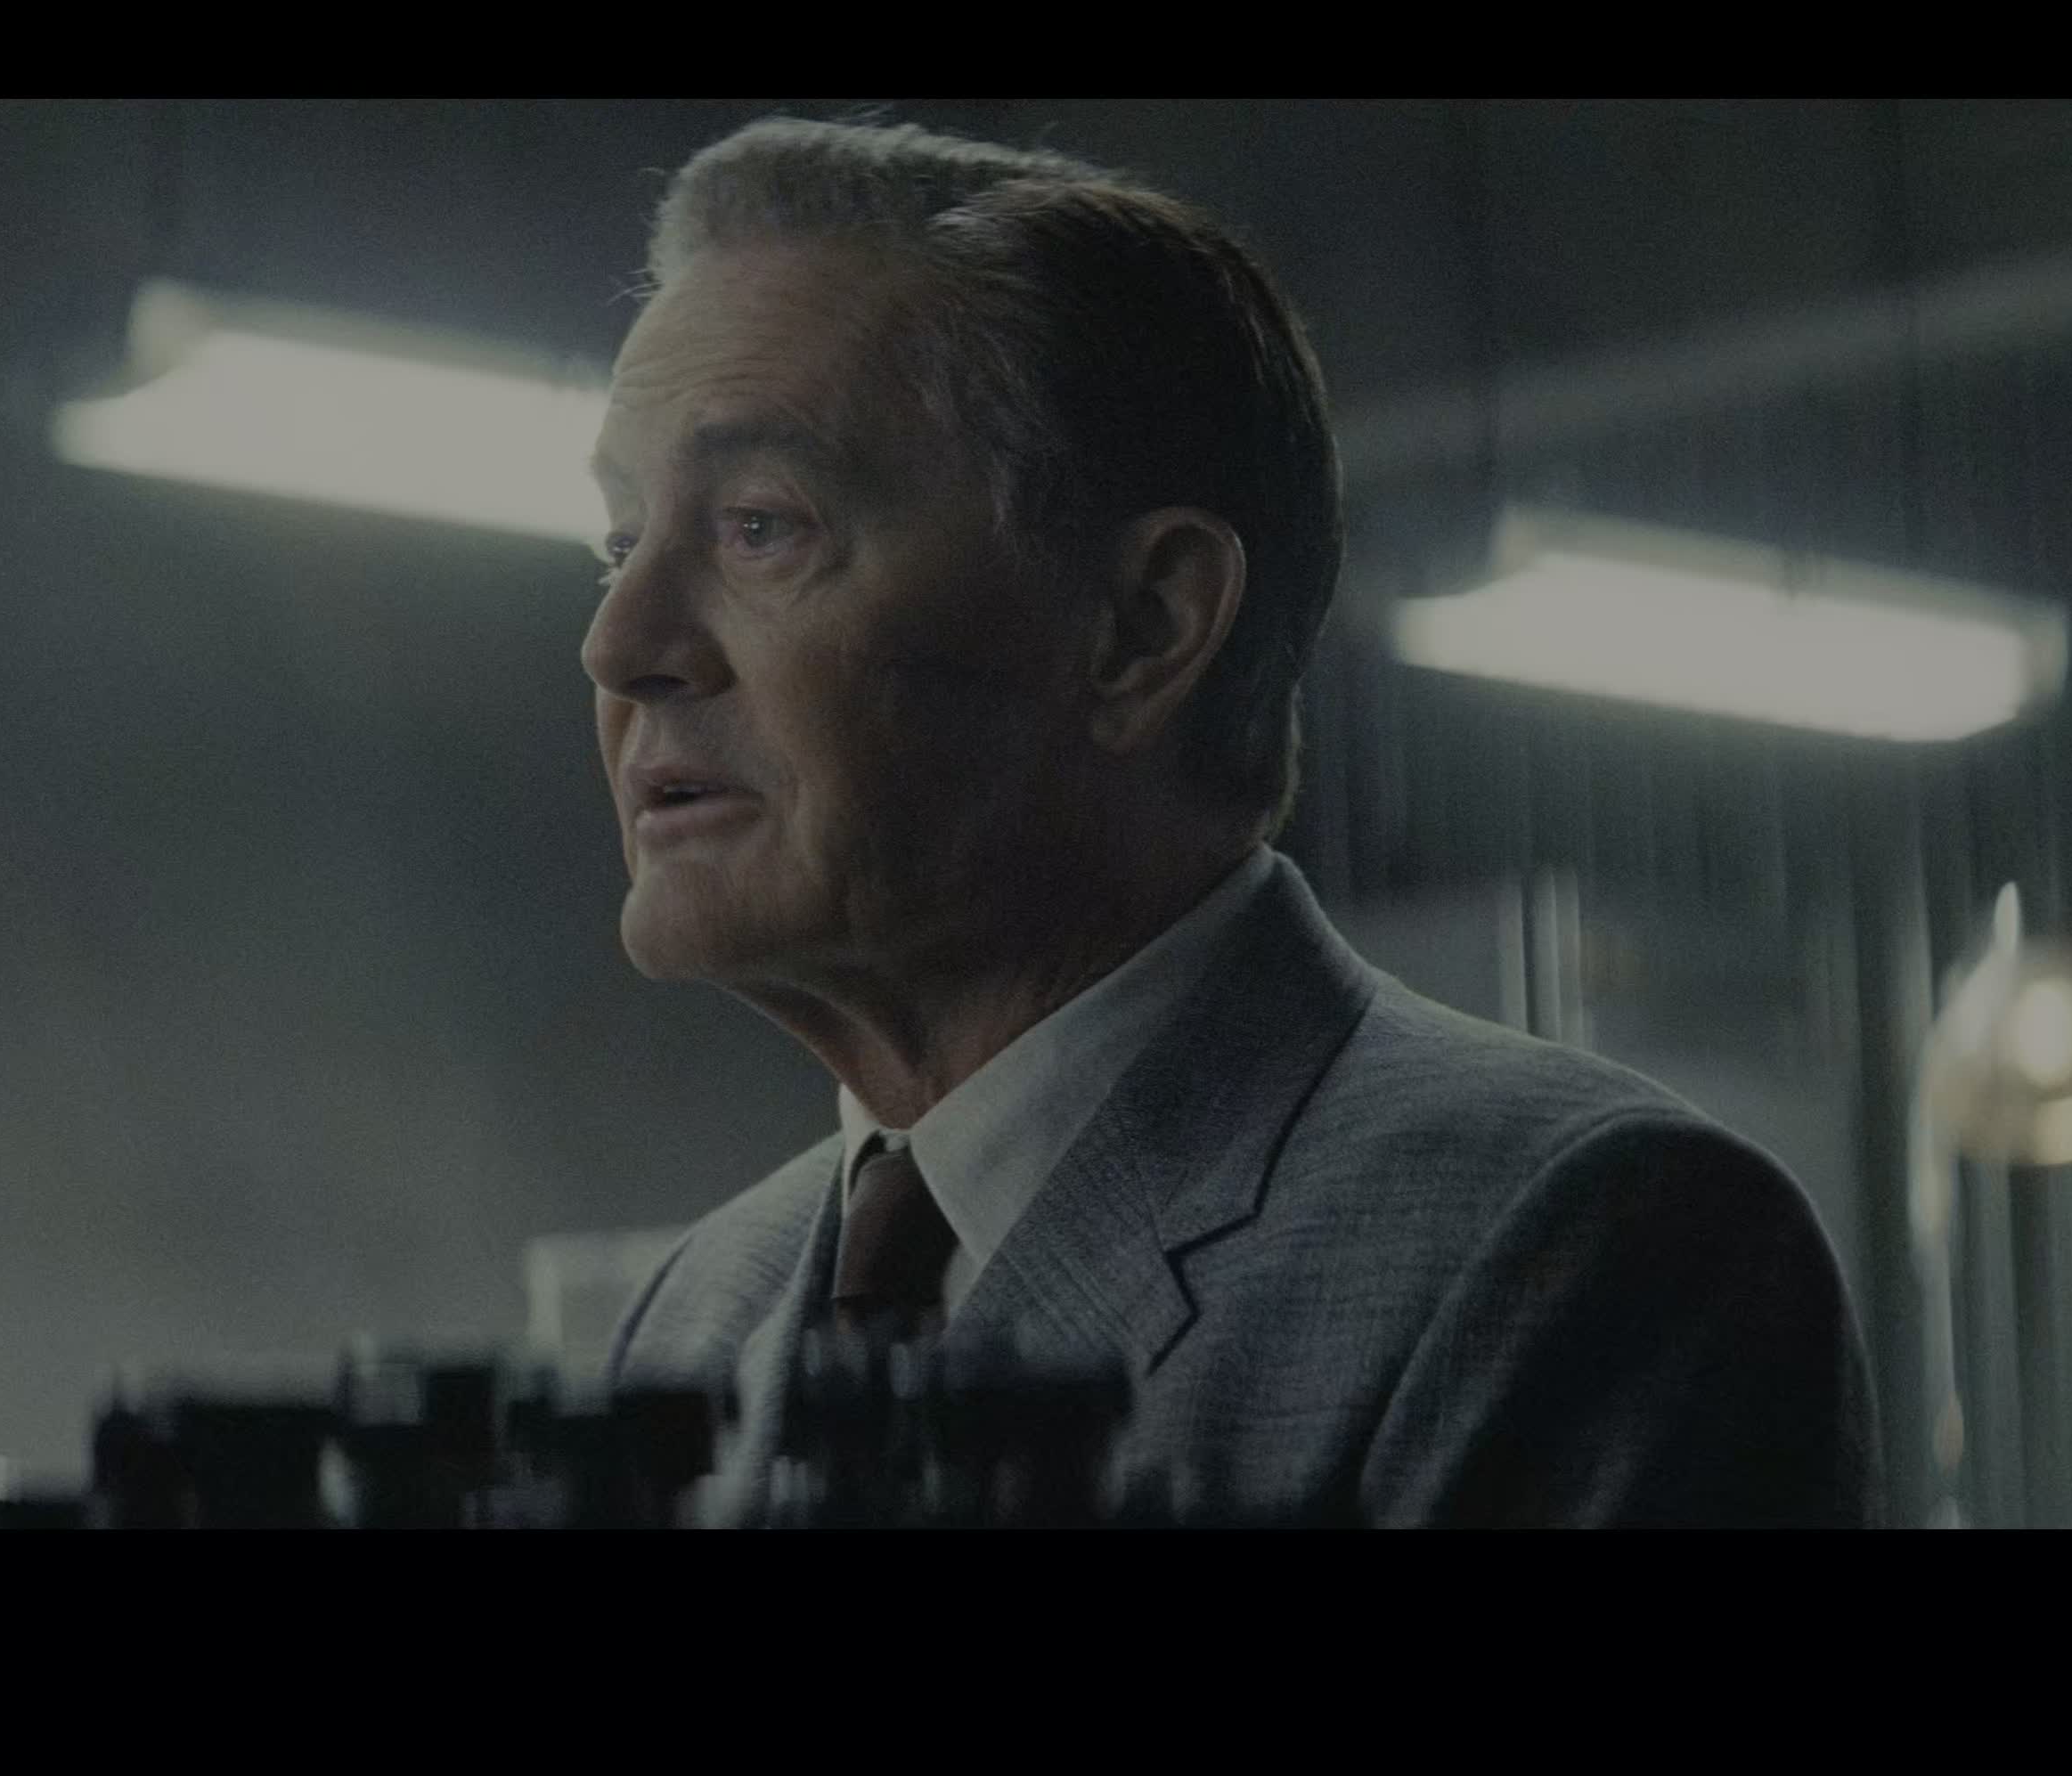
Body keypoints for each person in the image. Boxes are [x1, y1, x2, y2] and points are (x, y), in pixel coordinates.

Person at [587, 117, 1879, 1528]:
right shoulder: (697, 1313)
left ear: (1143, 627)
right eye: (619, 541)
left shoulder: (1587, 1249)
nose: (620, 643)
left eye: (761, 526)